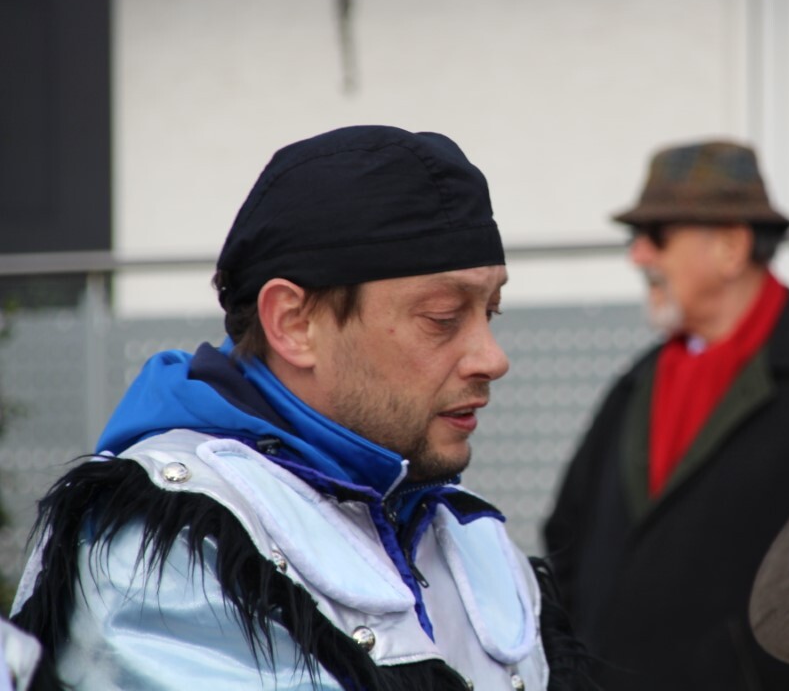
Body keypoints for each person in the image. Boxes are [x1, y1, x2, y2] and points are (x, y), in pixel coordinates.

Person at [9, 125, 589, 690]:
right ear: (294, 324)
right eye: (442, 317)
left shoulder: (471, 536)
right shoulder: (161, 545)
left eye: (491, 311)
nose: (492, 358)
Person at [543, 139, 789, 690]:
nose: (638, 257)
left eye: (656, 236)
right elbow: (568, 536)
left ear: (730, 246)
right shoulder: (636, 382)